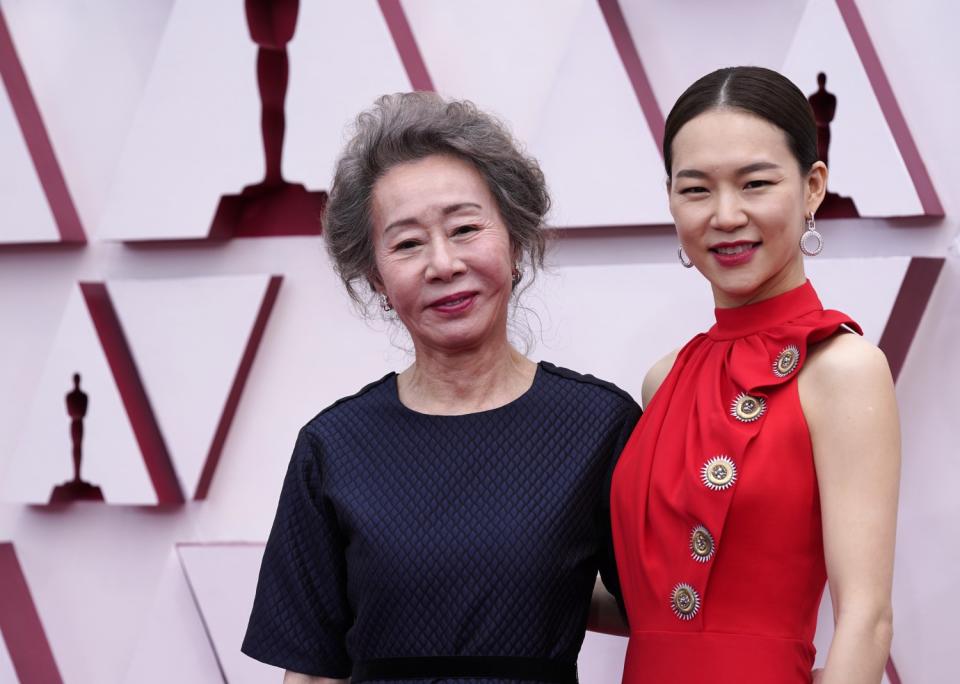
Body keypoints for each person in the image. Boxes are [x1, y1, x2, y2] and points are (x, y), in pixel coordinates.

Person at [242, 92, 641, 683]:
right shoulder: (334, 445)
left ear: (514, 238)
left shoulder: (596, 424)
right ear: (376, 277)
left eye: (465, 228)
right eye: (406, 244)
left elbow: (660, 605)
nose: (443, 264)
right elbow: (312, 668)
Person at [610, 66, 899, 683]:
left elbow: (866, 620)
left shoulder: (843, 369)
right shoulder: (663, 380)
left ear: (813, 187)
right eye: (695, 190)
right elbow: (649, 608)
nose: (726, 215)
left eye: (755, 183)